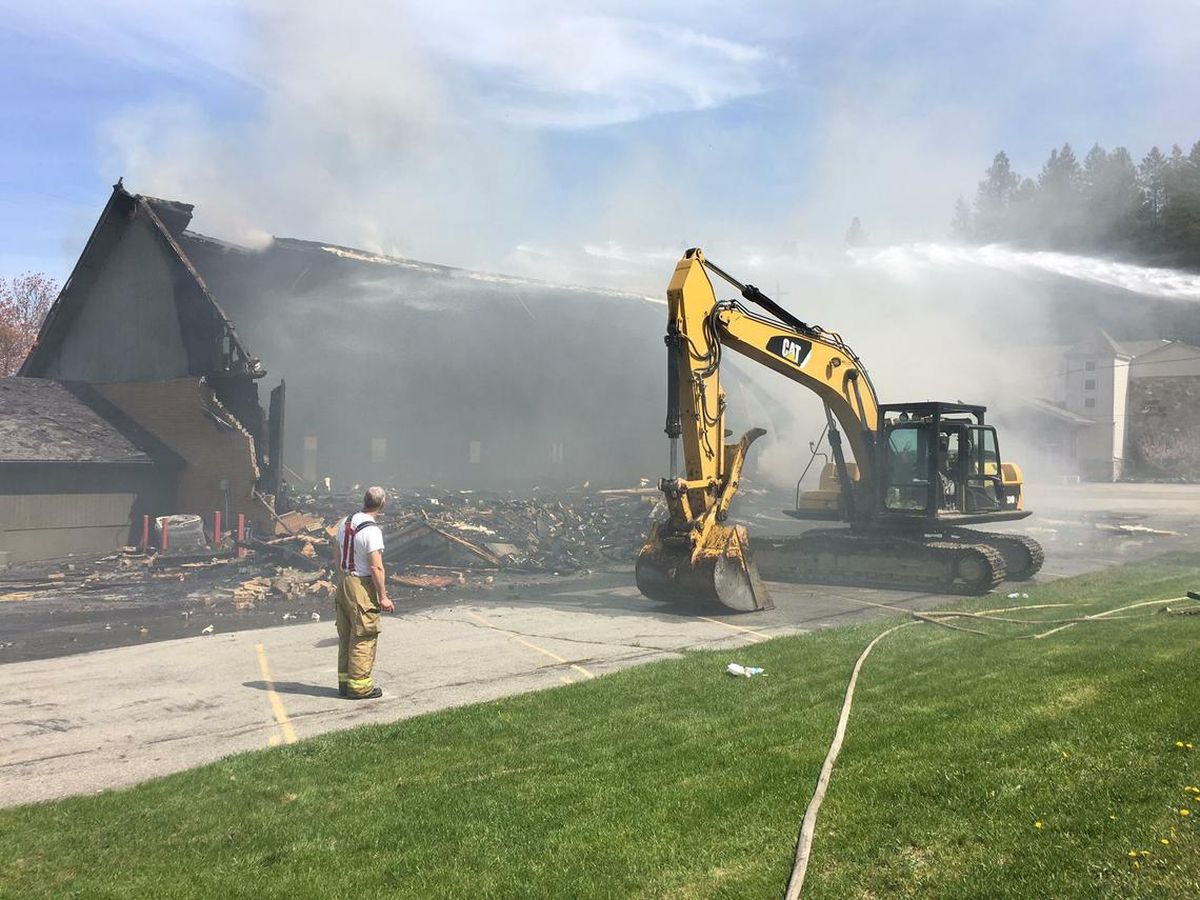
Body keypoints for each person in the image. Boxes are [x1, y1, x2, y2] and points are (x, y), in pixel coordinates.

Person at [333, 486, 394, 699]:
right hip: (361, 584)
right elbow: (376, 567)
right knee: (363, 635)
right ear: (382, 504)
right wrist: (383, 597)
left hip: (344, 582)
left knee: (346, 634)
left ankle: (344, 683)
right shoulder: (372, 531)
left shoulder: (345, 522)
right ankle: (360, 688)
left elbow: (337, 553)